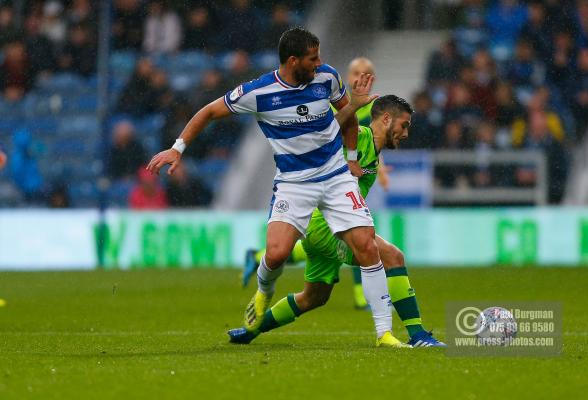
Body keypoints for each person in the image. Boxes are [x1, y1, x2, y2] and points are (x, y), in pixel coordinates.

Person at [147, 28, 403, 347]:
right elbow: (209, 111)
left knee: (366, 245)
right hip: (294, 183)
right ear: (293, 60)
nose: (320, 63)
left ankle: (384, 333)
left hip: (335, 175)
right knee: (277, 253)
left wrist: (351, 158)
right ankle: (263, 294)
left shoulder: (327, 78)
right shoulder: (258, 92)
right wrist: (178, 148)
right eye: (313, 58)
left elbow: (348, 118)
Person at [229, 94, 445, 347]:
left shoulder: (374, 153)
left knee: (314, 297)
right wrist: (350, 104)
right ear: (386, 119)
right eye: (404, 125)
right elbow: (327, 130)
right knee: (392, 257)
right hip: (325, 225)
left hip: (324, 227)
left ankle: (252, 329)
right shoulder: (360, 136)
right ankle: (417, 335)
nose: (405, 133)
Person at [241, 57, 391, 311]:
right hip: (325, 177)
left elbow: (372, 144)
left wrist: (380, 168)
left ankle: (258, 257)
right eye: (355, 71)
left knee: (351, 236)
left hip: (351, 178)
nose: (359, 76)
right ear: (348, 73)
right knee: (352, 236)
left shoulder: (370, 107)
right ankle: (358, 296)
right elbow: (331, 133)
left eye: (365, 73)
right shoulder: (335, 104)